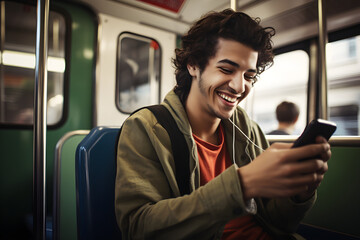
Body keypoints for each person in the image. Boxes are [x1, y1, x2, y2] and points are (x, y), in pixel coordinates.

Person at [115, 9, 331, 240]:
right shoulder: (147, 128)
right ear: (193, 65)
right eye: (226, 69)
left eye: (249, 76)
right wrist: (243, 184)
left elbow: (279, 225)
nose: (239, 87)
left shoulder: (248, 130)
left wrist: (299, 193)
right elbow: (138, 228)